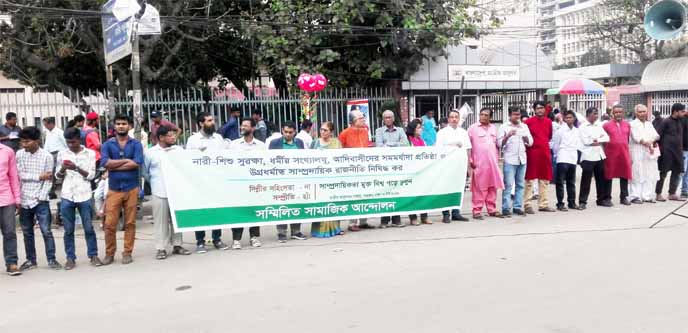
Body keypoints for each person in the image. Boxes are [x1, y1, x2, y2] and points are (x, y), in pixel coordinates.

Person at [100, 114, 144, 265]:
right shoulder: (107, 144)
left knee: (130, 222)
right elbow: (105, 163)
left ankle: (127, 252)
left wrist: (115, 165)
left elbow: (137, 163)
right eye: (118, 123)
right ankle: (109, 253)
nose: (120, 126)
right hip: (114, 189)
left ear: (129, 126)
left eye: (124, 123)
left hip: (131, 188)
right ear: (114, 126)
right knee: (109, 224)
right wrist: (126, 161)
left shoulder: (136, 144)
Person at [56, 127, 102, 269]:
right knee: (68, 230)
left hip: (85, 194)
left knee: (88, 228)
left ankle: (93, 255)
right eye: (68, 142)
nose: (71, 145)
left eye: (73, 142)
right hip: (67, 194)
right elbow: (57, 176)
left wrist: (76, 168)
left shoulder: (90, 153)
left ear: (79, 139)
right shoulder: (62, 154)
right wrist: (63, 168)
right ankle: (70, 258)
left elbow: (91, 176)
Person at [143, 125, 192, 260]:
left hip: (176, 191)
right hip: (159, 190)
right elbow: (145, 173)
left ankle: (177, 245)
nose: (173, 137)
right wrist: (155, 182)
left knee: (176, 220)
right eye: (170, 135)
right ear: (161, 137)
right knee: (161, 221)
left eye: (174, 135)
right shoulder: (150, 153)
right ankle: (161, 248)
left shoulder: (179, 150)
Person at [16, 127, 61, 271]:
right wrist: (38, 176)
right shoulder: (20, 155)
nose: (24, 144)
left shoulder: (47, 156)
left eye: (27, 141)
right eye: (22, 141)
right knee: (27, 232)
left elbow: (49, 180)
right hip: (24, 198)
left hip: (41, 199)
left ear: (36, 141)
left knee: (46, 231)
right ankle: (31, 260)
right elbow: (20, 175)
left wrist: (41, 197)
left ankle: (52, 259)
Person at [186, 112, 229, 252]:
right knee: (201, 211)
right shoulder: (193, 140)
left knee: (217, 211)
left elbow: (224, 158)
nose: (213, 123)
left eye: (212, 120)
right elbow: (188, 161)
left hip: (216, 180)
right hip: (200, 182)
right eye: (209, 120)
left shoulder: (218, 138)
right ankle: (200, 241)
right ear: (201, 123)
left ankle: (217, 239)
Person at [269, 122, 308, 242]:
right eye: (285, 132)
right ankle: (281, 233)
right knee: (282, 205)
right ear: (282, 130)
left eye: (290, 132)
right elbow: (269, 161)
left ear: (295, 132)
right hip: (281, 180)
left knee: (296, 205)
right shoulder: (274, 143)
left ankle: (296, 231)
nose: (288, 134)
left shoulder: (299, 143)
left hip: (297, 179)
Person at [228, 118, 265, 249]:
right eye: (241, 125)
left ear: (253, 128)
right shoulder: (234, 145)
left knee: (254, 210)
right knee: (239, 211)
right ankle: (236, 239)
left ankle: (254, 237)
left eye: (245, 126)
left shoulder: (261, 146)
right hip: (239, 184)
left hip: (255, 184)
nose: (242, 128)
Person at [339, 110, 374, 231]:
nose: (364, 119)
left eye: (363, 117)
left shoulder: (365, 131)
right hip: (351, 170)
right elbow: (340, 150)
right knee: (354, 196)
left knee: (366, 195)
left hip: (365, 168)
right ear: (354, 121)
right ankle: (352, 223)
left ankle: (363, 221)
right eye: (361, 118)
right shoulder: (344, 133)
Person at [467, 108, 503, 219]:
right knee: (479, 187)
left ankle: (491, 209)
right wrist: (470, 160)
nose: (483, 116)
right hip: (479, 163)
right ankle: (476, 210)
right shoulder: (473, 129)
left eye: (486, 115)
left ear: (490, 117)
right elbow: (468, 146)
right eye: (481, 114)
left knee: (492, 187)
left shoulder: (494, 128)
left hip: (493, 163)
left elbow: (498, 145)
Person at [310, 121, 345, 236]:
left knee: (333, 203)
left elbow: (340, 159)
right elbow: (308, 159)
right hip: (318, 179)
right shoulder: (315, 143)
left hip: (332, 179)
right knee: (320, 203)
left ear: (331, 132)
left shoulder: (336, 143)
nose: (322, 132)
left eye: (325, 130)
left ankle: (335, 229)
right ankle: (319, 231)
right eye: (321, 129)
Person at [375, 110, 409, 227]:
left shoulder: (400, 130)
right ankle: (384, 221)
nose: (388, 119)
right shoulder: (379, 131)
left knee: (397, 192)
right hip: (384, 167)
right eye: (385, 118)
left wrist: (388, 145)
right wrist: (395, 144)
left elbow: (405, 144)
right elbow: (379, 146)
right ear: (383, 120)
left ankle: (396, 220)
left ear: (393, 119)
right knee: (385, 193)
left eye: (390, 117)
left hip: (398, 166)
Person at [436, 109, 471, 222]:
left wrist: (468, 166)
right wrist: (452, 144)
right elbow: (438, 149)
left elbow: (468, 149)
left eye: (456, 117)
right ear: (448, 119)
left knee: (459, 188)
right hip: (447, 165)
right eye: (452, 117)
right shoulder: (442, 132)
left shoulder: (463, 132)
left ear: (459, 118)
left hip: (460, 165)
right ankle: (446, 213)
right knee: (446, 189)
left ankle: (456, 212)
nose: (454, 119)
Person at [498, 107, 533, 217]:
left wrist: (525, 137)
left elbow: (531, 142)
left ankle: (517, 207)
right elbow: (499, 144)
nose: (517, 117)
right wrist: (508, 136)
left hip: (522, 158)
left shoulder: (524, 126)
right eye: (514, 114)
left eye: (518, 115)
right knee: (508, 185)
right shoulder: (504, 127)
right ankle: (506, 208)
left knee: (520, 184)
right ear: (509, 115)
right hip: (510, 159)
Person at [524, 101, 556, 214]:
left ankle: (543, 204)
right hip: (532, 153)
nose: (540, 110)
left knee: (545, 179)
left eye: (542, 108)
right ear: (534, 110)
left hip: (545, 153)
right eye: (537, 108)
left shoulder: (548, 122)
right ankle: (527, 204)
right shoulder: (528, 122)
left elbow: (549, 136)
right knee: (529, 180)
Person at [578, 107, 610, 209]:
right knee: (586, 180)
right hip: (588, 156)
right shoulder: (582, 127)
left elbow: (607, 138)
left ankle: (600, 199)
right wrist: (598, 140)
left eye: (597, 114)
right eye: (594, 114)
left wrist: (596, 140)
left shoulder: (598, 125)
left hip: (599, 155)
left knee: (600, 179)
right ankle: (582, 201)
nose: (596, 116)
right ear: (588, 115)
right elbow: (586, 141)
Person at [551, 110, 583, 211]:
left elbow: (578, 144)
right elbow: (555, 145)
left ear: (574, 119)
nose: (569, 119)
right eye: (567, 117)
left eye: (571, 117)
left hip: (572, 158)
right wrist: (557, 155)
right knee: (560, 182)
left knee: (571, 182)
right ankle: (560, 203)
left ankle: (572, 202)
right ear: (564, 119)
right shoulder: (560, 131)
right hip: (562, 157)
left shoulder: (577, 131)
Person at [629, 104, 660, 204]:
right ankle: (635, 196)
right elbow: (637, 138)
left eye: (644, 111)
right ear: (636, 113)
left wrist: (652, 141)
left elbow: (656, 135)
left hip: (649, 152)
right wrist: (648, 143)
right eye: (640, 111)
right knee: (637, 173)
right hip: (637, 151)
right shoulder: (632, 124)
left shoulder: (649, 124)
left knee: (649, 172)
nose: (642, 113)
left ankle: (647, 196)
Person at [602, 105, 632, 206]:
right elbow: (602, 139)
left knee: (624, 174)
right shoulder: (606, 125)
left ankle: (623, 197)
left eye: (620, 112)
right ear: (612, 113)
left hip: (624, 153)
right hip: (610, 154)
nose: (618, 114)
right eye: (616, 112)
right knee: (608, 175)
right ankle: (607, 197)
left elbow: (628, 139)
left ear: (623, 113)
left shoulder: (627, 124)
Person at [655, 103, 686, 202]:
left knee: (677, 172)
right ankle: (658, 194)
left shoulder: (681, 121)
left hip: (678, 152)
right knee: (663, 173)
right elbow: (658, 135)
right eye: (682, 111)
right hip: (667, 152)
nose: (683, 113)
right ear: (675, 111)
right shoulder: (666, 121)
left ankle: (672, 193)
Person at [405, 119, 432, 225]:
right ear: (413, 129)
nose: (421, 129)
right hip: (411, 173)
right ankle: (413, 218)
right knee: (412, 195)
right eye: (419, 127)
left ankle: (424, 217)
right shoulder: (408, 141)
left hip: (422, 172)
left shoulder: (422, 141)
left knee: (423, 195)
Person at [0, 137, 20, 275]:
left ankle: (12, 263)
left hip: (6, 197)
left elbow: (13, 176)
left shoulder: (7, 151)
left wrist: (17, 198)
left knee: (9, 232)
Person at [42, 117, 68, 224]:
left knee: (58, 173)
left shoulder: (59, 132)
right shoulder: (48, 133)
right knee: (50, 173)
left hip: (59, 153)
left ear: (51, 123)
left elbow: (65, 144)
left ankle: (58, 188)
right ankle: (51, 191)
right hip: (50, 154)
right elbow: (47, 144)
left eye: (46, 124)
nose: (45, 126)